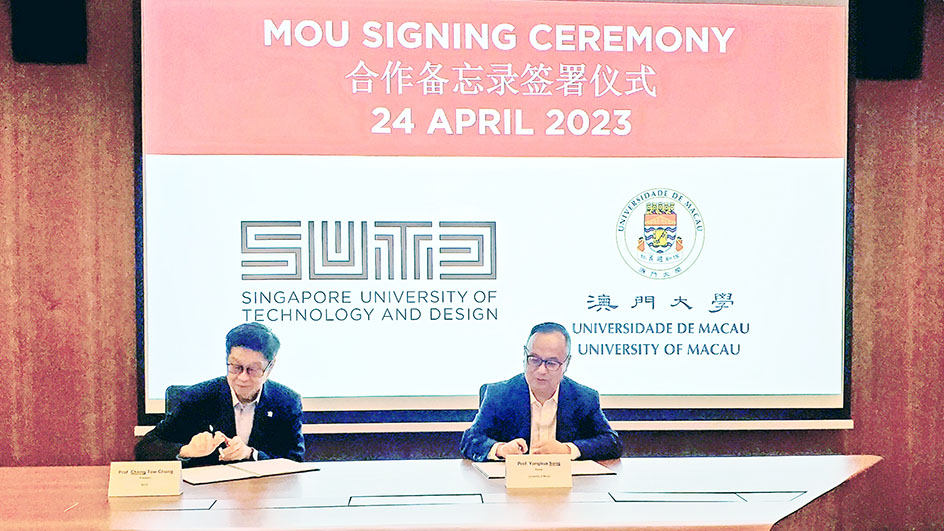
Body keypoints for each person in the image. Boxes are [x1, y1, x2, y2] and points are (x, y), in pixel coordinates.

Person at [135, 322, 304, 467]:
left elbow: (295, 461)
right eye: (236, 367)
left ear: (270, 367)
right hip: (206, 491)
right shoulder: (198, 398)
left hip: (264, 492)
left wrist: (251, 454)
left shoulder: (286, 402)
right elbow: (145, 448)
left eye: (252, 369)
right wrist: (186, 450)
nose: (242, 377)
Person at [460, 322, 621, 462]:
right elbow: (470, 439)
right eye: (534, 360)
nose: (541, 370)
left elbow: (611, 442)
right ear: (524, 355)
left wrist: (567, 450)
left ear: (566, 363)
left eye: (551, 363)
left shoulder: (583, 398)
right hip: (511, 483)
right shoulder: (499, 394)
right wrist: (501, 449)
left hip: (565, 484)